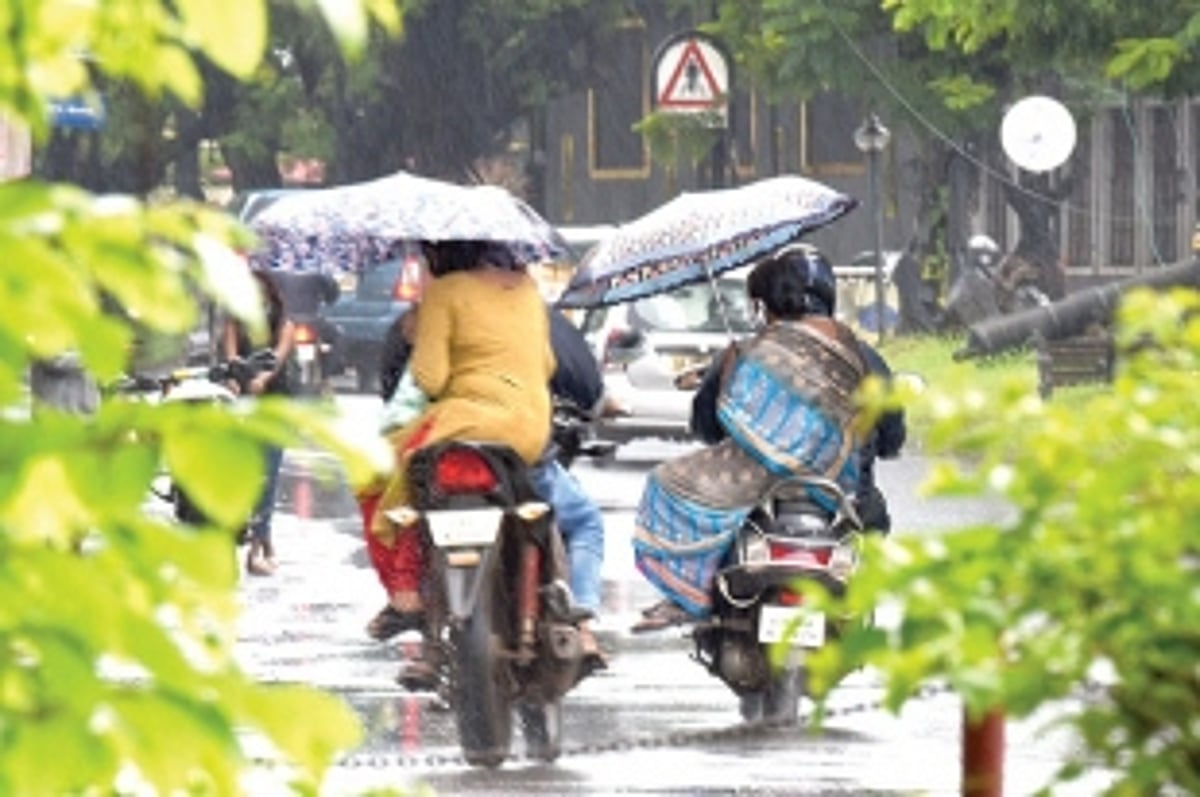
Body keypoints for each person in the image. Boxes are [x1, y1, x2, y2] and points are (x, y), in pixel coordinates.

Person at [362, 297, 610, 668]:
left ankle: (416, 611)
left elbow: (403, 386)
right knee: (585, 520)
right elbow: (578, 382)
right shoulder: (527, 311)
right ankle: (584, 624)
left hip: (436, 450)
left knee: (412, 516)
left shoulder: (423, 315)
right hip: (517, 447)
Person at [632, 244, 869, 631]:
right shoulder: (855, 350)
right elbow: (888, 426)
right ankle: (858, 609)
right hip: (836, 483)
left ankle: (691, 594)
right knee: (871, 521)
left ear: (766, 303)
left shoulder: (749, 350)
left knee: (665, 481)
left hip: (756, 482)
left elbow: (708, 422)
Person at [363, 240, 557, 680]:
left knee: (377, 474)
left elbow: (431, 377)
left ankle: (405, 592)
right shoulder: (527, 290)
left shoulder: (444, 293)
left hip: (465, 424)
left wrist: (421, 330)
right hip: (529, 428)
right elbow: (546, 364)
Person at [222, 268, 296, 576]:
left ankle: (258, 546)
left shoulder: (284, 323)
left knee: (267, 475)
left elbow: (278, 355)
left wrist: (263, 378)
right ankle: (253, 538)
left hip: (273, 406)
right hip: (239, 405)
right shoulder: (234, 321)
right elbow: (231, 356)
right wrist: (237, 379)